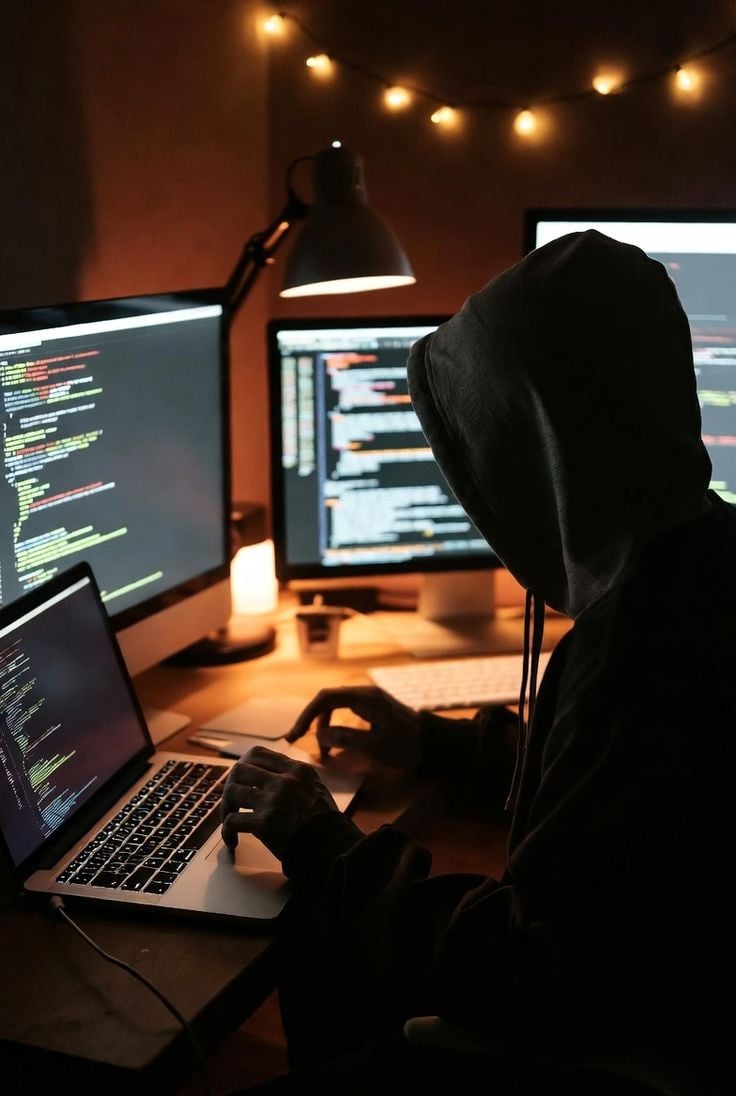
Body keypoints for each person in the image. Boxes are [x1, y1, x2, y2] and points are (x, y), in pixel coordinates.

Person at [221, 231, 736, 1094]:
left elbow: (528, 967)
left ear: (540, 447)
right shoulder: (699, 564)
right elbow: (618, 817)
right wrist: (443, 747)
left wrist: (328, 844)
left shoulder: (642, 650)